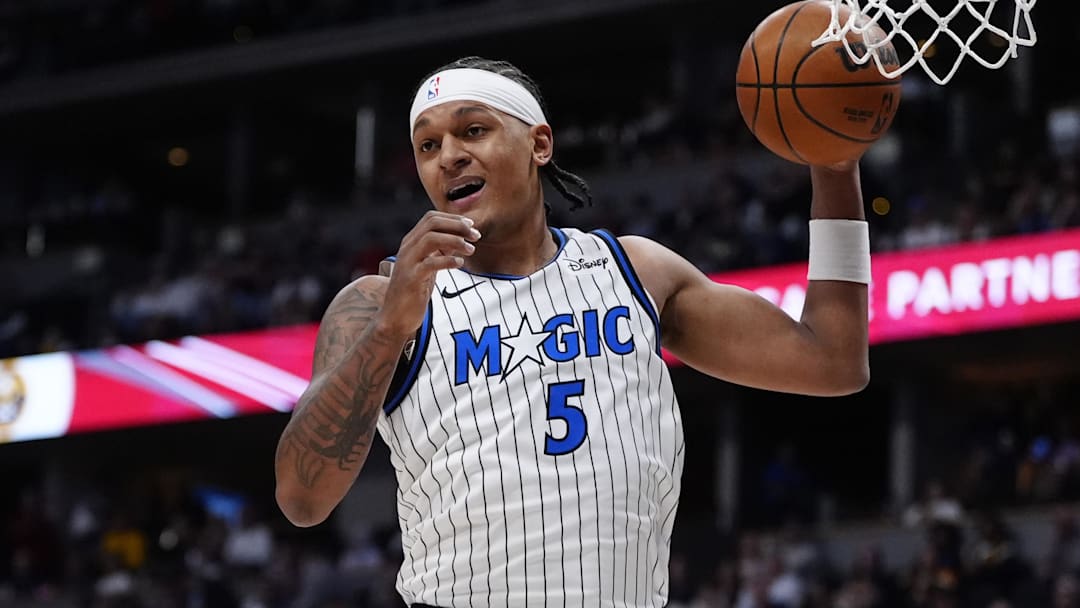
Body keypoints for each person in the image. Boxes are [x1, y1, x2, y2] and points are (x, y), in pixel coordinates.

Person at [274, 56, 872, 608]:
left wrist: (835, 165)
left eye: (472, 130)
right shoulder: (379, 302)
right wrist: (390, 328)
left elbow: (832, 361)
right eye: (427, 145)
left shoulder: (635, 271)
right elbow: (302, 500)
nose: (447, 155)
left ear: (539, 144)